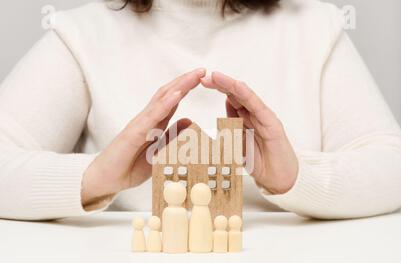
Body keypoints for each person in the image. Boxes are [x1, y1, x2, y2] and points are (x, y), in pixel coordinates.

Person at [0, 0, 400, 221]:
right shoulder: (82, 34)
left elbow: (391, 168)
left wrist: (295, 179)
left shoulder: (315, 25)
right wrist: (95, 178)